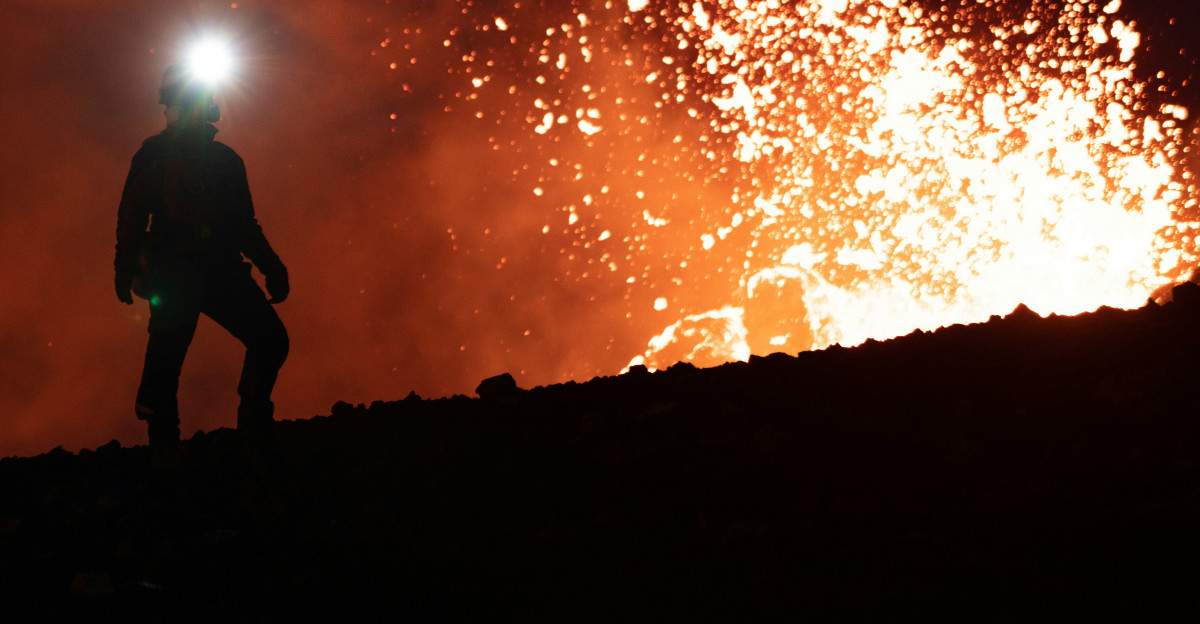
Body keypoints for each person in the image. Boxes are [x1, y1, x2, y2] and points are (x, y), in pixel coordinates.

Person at [115, 64, 290, 450]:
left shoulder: (216, 161)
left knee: (266, 341)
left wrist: (271, 266)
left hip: (203, 270)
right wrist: (271, 268)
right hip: (185, 272)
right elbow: (131, 216)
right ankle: (172, 443)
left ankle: (245, 427)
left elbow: (243, 224)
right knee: (169, 362)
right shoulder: (170, 157)